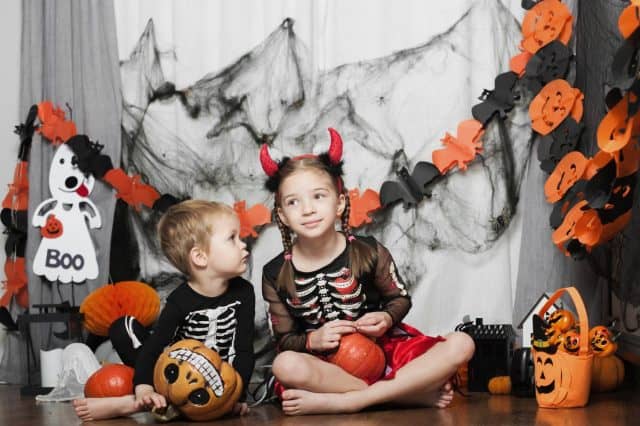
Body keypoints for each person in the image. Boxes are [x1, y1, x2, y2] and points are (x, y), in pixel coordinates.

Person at [260, 128, 475, 416]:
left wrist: (386, 318)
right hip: (324, 366)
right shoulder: (275, 272)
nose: (308, 210)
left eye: (318, 196)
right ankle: (402, 395)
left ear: (339, 203)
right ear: (282, 216)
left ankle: (351, 401)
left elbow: (399, 298)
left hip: (382, 350)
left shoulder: (367, 250)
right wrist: (312, 339)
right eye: (293, 202)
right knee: (284, 364)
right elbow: (285, 339)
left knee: (462, 344)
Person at [73, 200, 255, 421]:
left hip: (213, 386)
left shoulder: (243, 292)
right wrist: (144, 386)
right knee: (124, 328)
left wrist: (237, 396)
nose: (243, 244)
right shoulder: (180, 300)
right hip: (172, 376)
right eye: (232, 238)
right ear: (200, 257)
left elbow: (243, 350)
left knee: (195, 399)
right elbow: (154, 348)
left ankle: (130, 405)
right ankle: (145, 399)